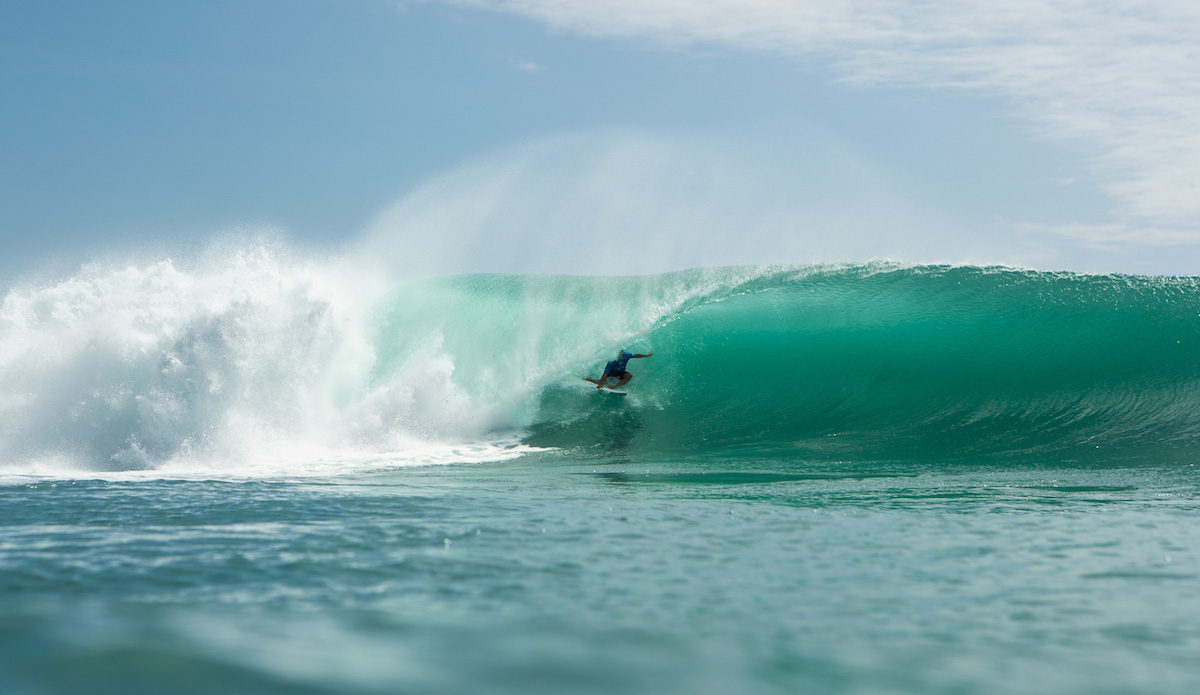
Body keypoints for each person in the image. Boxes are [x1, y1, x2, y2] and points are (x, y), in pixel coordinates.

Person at [586, 349, 653, 390]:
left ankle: (614, 386)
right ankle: (591, 380)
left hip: (620, 373)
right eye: (618, 353)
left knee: (629, 375)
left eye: (621, 353)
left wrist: (646, 355)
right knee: (602, 382)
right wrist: (600, 385)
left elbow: (636, 355)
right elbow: (605, 374)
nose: (619, 355)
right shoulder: (612, 360)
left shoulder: (626, 355)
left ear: (622, 352)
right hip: (612, 373)